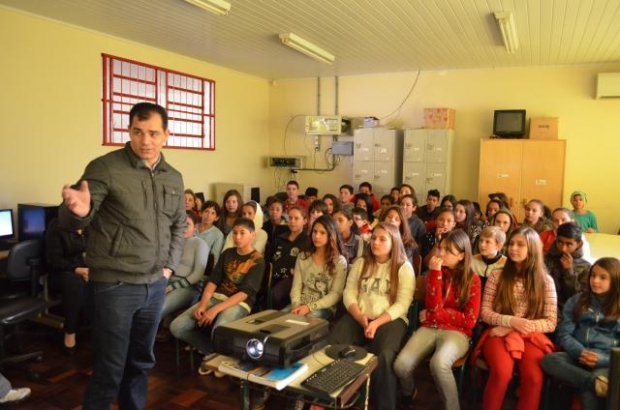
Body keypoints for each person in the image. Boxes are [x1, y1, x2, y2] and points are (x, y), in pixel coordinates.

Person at [59, 102, 186, 410]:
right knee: (109, 369)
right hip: (114, 285)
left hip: (154, 286)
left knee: (141, 363)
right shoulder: (106, 167)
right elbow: (73, 218)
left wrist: (169, 267)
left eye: (153, 133)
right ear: (128, 131)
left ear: (166, 135)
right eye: (137, 132)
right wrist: (78, 211)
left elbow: (178, 225)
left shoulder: (173, 177)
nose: (145, 141)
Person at [328, 222, 415, 410]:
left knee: (384, 355)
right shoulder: (361, 263)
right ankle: (334, 398)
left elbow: (402, 304)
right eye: (374, 238)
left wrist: (376, 323)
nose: (375, 242)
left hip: (390, 319)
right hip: (359, 316)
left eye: (382, 239)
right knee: (334, 342)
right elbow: (349, 293)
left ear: (394, 242)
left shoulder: (403, 267)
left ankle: (385, 405)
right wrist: (360, 317)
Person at [394, 229, 481, 410]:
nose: (441, 254)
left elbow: (470, 320)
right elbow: (433, 308)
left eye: (448, 251)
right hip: (431, 326)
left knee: (439, 363)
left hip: (458, 333)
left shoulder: (473, 279)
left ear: (461, 255)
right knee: (401, 365)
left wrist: (437, 314)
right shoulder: (436, 272)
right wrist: (435, 274)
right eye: (441, 248)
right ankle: (409, 393)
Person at [476, 227, 558, 410]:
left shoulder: (545, 281)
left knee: (534, 379)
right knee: (501, 373)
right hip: (498, 332)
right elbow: (485, 312)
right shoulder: (497, 275)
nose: (513, 248)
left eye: (520, 244)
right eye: (511, 243)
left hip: (531, 336)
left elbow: (551, 321)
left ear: (533, 248)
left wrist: (516, 328)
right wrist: (510, 322)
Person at [170, 217, 265, 375]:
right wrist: (203, 304)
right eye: (235, 233)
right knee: (177, 327)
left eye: (242, 233)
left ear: (252, 235)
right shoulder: (227, 253)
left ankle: (220, 357)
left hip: (239, 303)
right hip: (217, 297)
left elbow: (244, 294)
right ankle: (214, 353)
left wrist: (215, 310)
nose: (238, 237)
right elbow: (213, 282)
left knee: (219, 330)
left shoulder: (257, 261)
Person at [541, 257, 620, 410]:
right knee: (549, 361)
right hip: (577, 355)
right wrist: (581, 353)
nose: (595, 281)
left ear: (615, 280)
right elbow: (564, 334)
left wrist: (601, 359)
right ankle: (597, 384)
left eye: (603, 277)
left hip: (607, 361)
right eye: (593, 275)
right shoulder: (576, 301)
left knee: (587, 393)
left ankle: (593, 383)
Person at [157, 211, 209, 342]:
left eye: (187, 225)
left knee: (158, 308)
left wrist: (171, 287)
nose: (183, 228)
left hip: (188, 287)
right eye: (180, 224)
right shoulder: (173, 242)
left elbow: (198, 274)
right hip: (167, 283)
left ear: (195, 226)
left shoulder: (200, 244)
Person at [287, 215, 347, 319]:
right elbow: (296, 287)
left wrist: (309, 307)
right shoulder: (303, 256)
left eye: (322, 233)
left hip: (323, 307)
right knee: (280, 320)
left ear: (331, 235)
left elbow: (336, 294)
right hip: (301, 304)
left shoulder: (340, 261)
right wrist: (295, 305)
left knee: (305, 322)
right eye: (315, 231)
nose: (317, 236)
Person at [45, 217, 89, 355]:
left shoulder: (91, 224)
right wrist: (76, 269)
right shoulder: (56, 225)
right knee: (74, 281)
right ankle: (70, 332)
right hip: (61, 273)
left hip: (86, 270)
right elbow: (54, 259)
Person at [266, 205, 308, 310]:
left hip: (292, 278)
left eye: (296, 218)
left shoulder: (307, 241)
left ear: (305, 221)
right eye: (290, 218)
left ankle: (278, 316)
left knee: (276, 293)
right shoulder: (280, 238)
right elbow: (268, 258)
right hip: (273, 275)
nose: (292, 221)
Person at [544, 222, 591, 312]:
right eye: (560, 242)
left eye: (569, 244)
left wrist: (569, 271)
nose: (563, 248)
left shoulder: (586, 267)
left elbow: (578, 298)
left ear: (578, 244)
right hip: (544, 306)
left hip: (569, 311)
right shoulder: (545, 260)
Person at [196, 200, 225, 266]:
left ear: (216, 218)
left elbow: (214, 258)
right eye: (206, 211)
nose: (209, 215)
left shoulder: (218, 235)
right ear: (200, 213)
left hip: (203, 266)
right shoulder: (192, 227)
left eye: (213, 213)